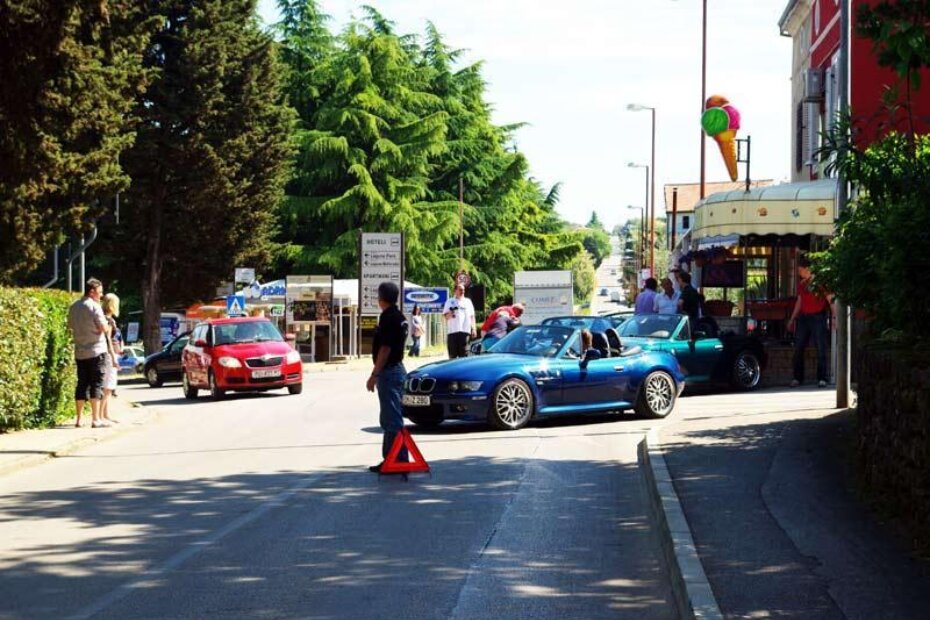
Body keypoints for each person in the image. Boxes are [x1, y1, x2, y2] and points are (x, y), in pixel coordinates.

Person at [366, 282, 409, 473]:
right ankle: (391, 459)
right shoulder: (399, 317)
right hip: (396, 369)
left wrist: (374, 374)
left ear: (381, 298)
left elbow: (385, 348)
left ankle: (398, 460)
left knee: (391, 419)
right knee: (389, 417)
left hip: (390, 371)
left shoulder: (389, 318)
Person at [67, 278, 110, 428]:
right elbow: (104, 328)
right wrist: (105, 327)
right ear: (92, 292)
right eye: (100, 292)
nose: (101, 295)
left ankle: (78, 419)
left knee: (81, 384)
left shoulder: (73, 307)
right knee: (96, 384)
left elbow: (70, 326)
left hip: (80, 352)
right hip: (97, 351)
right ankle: (95, 419)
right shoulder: (94, 306)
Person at [788, 255, 833, 388]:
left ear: (807, 269)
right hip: (804, 317)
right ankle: (797, 377)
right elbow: (800, 301)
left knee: (821, 347)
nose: (798, 272)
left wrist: (835, 317)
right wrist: (792, 318)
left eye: (800, 270)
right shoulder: (801, 284)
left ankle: (822, 378)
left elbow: (830, 298)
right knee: (798, 347)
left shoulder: (820, 282)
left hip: (818, 317)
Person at [100, 293, 122, 424]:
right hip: (109, 354)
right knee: (108, 386)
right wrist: (114, 356)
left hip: (112, 353)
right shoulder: (108, 320)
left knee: (109, 385)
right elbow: (108, 339)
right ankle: (102, 416)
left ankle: (106, 414)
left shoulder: (108, 319)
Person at [442, 283, 476, 359]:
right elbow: (445, 317)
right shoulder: (449, 301)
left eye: (463, 290)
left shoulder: (468, 301)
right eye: (460, 289)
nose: (462, 291)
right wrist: (450, 313)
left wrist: (474, 329)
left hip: (465, 332)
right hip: (452, 332)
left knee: (464, 356)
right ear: (455, 290)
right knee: (452, 356)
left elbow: (472, 316)